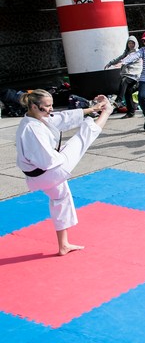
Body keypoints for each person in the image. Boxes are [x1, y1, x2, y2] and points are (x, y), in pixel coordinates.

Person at [15, 90, 114, 256]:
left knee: (61, 198)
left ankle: (64, 245)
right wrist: (64, 154)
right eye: (47, 106)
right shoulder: (32, 129)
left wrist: (91, 109)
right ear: (34, 106)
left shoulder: (35, 119)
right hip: (51, 171)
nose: (51, 109)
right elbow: (46, 160)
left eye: (51, 105)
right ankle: (107, 111)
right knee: (82, 138)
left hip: (38, 176)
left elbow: (62, 118)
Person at [105, 35, 141, 118]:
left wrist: (122, 63)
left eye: (132, 43)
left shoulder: (137, 52)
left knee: (124, 81)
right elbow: (119, 58)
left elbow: (129, 59)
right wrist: (110, 63)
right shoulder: (126, 52)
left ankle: (119, 100)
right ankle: (131, 112)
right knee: (128, 92)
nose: (131, 45)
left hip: (135, 75)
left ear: (136, 44)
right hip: (129, 74)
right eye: (129, 43)